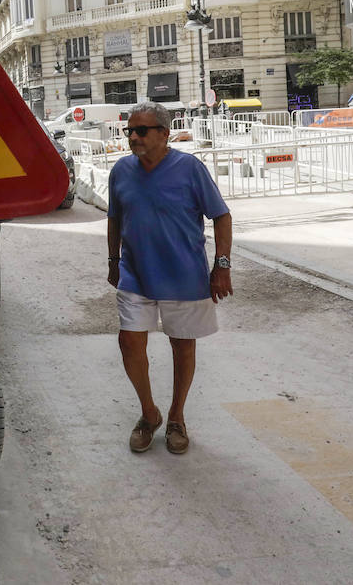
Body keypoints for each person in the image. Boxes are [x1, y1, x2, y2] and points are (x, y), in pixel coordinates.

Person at [107, 100, 232, 456]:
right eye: (129, 130)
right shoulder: (121, 171)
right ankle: (149, 414)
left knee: (182, 344)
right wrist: (113, 259)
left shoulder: (190, 168)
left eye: (141, 130)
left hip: (184, 274)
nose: (133, 137)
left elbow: (221, 216)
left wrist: (221, 266)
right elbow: (115, 218)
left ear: (164, 133)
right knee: (129, 340)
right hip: (135, 273)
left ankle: (176, 417)